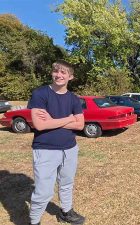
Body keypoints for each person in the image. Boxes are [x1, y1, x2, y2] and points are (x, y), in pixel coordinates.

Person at [27, 60, 85, 225]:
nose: (59, 75)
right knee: (44, 191)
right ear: (52, 73)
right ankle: (34, 221)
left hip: (70, 149)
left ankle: (66, 212)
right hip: (46, 150)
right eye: (56, 71)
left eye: (63, 73)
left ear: (70, 77)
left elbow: (80, 124)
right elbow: (40, 124)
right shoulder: (40, 94)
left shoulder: (74, 99)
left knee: (66, 183)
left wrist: (53, 120)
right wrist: (68, 118)